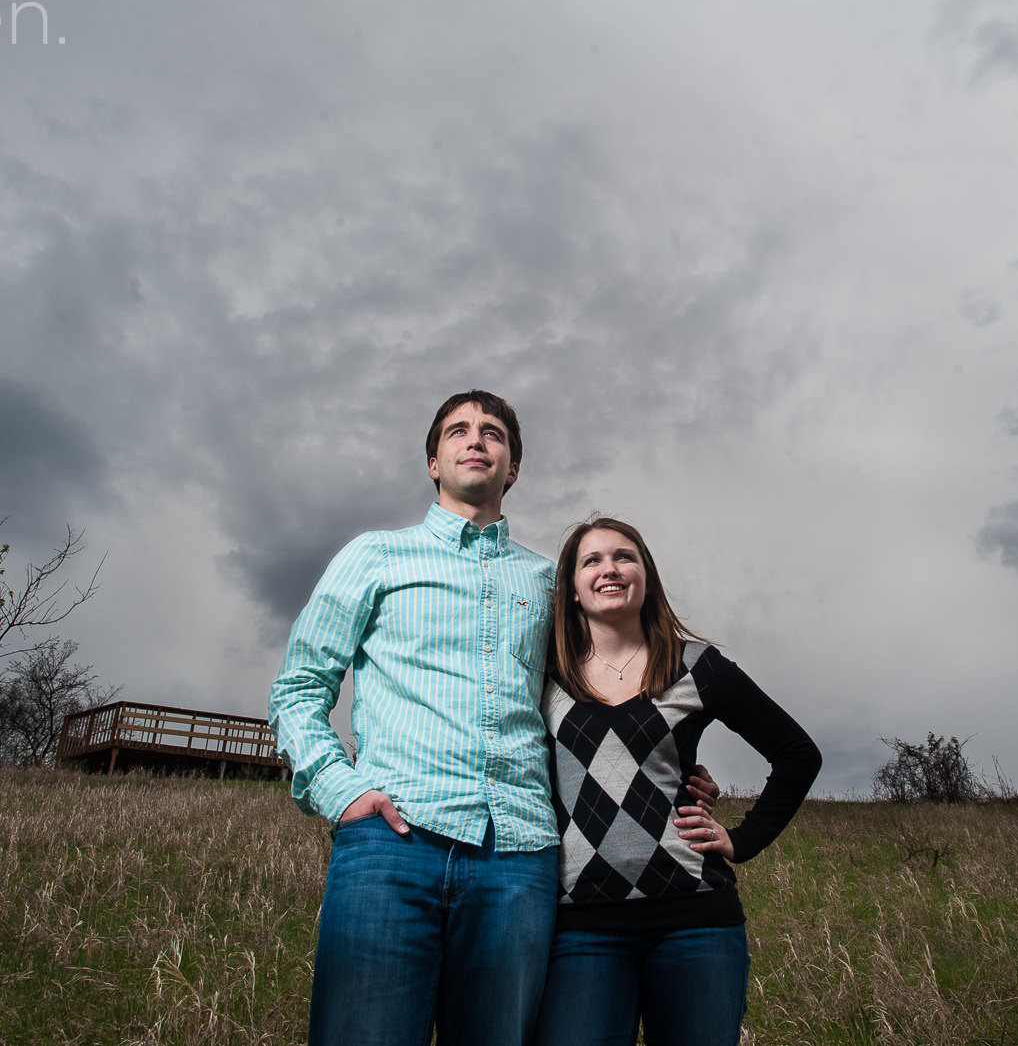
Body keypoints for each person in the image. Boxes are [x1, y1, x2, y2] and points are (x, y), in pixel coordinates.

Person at [269, 391, 720, 1046]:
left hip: (520, 860)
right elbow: (299, 687)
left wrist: (670, 768)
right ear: (433, 460)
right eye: (458, 430)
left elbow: (602, 695)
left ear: (512, 467)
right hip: (392, 843)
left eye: (493, 433)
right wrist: (341, 791)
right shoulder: (373, 557)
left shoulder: (549, 583)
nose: (475, 438)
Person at [535, 517, 822, 1046]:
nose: (609, 569)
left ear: (647, 576)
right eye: (590, 561)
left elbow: (798, 754)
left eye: (625, 557)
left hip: (695, 921)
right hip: (581, 927)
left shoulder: (696, 667)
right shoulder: (545, 676)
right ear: (572, 589)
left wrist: (743, 839)